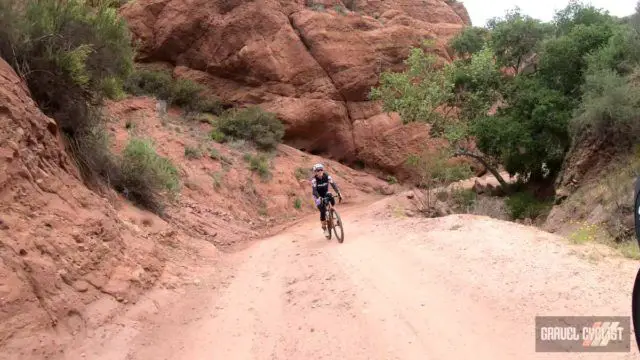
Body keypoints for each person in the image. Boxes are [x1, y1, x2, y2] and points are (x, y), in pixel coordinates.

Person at [311, 163, 342, 236]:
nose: (320, 171)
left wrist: (338, 193)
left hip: (325, 193)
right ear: (315, 172)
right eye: (318, 170)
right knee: (322, 211)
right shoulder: (314, 180)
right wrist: (319, 197)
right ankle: (324, 229)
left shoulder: (327, 176)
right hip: (318, 196)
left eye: (321, 169)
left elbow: (333, 184)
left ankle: (333, 215)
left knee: (331, 197)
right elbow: (314, 191)